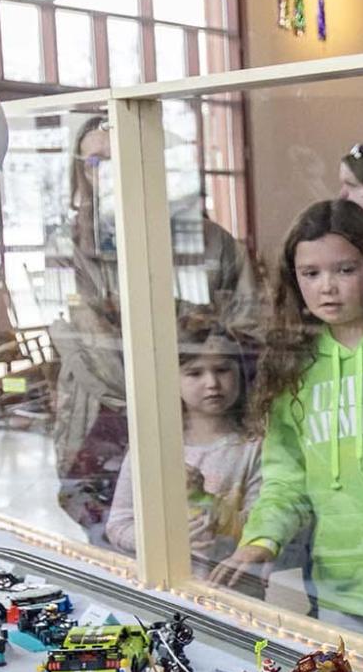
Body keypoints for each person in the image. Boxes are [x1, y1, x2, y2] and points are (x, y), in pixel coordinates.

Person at [208, 200, 363, 623]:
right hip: (336, 596)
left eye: (345, 270)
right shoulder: (292, 362)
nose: (328, 286)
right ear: (295, 279)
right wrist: (261, 541)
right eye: (311, 273)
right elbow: (287, 480)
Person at [45, 113, 260, 536]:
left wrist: (196, 381)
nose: (109, 172)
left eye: (123, 159)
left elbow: (248, 332)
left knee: (209, 546)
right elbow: (92, 348)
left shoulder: (215, 243)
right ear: (80, 172)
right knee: (119, 545)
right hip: (106, 422)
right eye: (96, 162)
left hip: (206, 426)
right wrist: (182, 372)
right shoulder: (67, 246)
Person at [104, 311, 262, 574]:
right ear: (171, 379)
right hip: (163, 593)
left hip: (233, 594)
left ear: (240, 373)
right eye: (195, 373)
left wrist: (206, 503)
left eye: (222, 370)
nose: (212, 383)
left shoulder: (254, 447)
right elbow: (118, 524)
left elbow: (262, 527)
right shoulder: (151, 445)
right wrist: (164, 540)